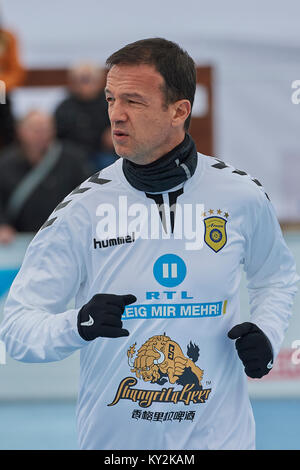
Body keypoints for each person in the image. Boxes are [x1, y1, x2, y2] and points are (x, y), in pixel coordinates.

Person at [0, 38, 298, 450]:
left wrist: (267, 332)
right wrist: (77, 324)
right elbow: (16, 328)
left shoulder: (241, 196)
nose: (115, 115)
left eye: (133, 102)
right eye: (110, 99)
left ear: (179, 111)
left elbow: (276, 278)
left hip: (219, 441)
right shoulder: (82, 209)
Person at [0, 110, 90, 244]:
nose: (42, 135)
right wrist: (3, 225)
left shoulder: (73, 160)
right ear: (20, 132)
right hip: (19, 241)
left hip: (64, 238)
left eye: (47, 130)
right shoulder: (6, 164)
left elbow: (87, 195)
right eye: (36, 130)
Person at [54, 62, 117, 171]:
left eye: (87, 79)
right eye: (81, 80)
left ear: (99, 81)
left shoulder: (111, 103)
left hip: (103, 152)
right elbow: (56, 136)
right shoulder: (64, 107)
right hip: (72, 156)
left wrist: (115, 131)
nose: (84, 85)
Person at [0, 24, 26, 149]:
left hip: (1, 91)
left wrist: (2, 83)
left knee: (7, 126)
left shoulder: (7, 37)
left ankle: (8, 155)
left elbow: (16, 71)